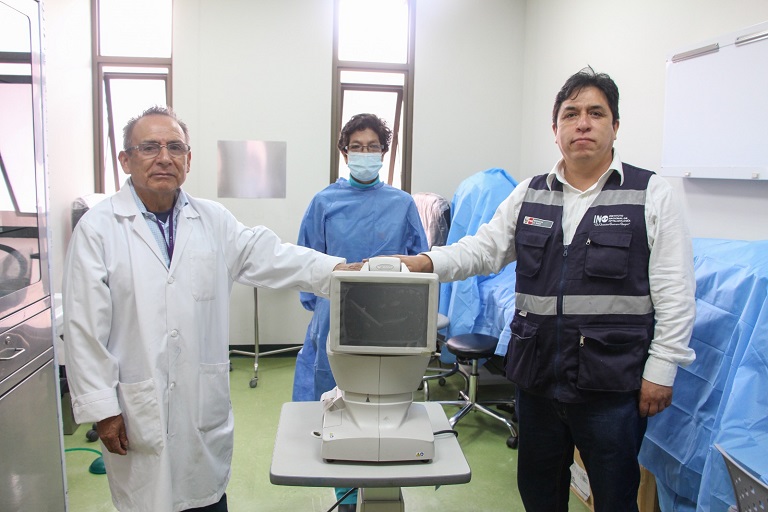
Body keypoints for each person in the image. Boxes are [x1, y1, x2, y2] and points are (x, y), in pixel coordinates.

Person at [394, 67, 696, 512]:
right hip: (537, 381)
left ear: (615, 126)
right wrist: (426, 261)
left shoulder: (650, 193)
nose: (583, 123)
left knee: (614, 498)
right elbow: (482, 250)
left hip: (611, 385)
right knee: (539, 494)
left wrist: (661, 370)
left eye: (596, 113)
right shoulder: (529, 194)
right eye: (571, 114)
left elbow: (675, 291)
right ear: (555, 130)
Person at [62, 106, 358, 512]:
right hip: (136, 407)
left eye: (175, 147)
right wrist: (103, 409)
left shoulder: (213, 220)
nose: (164, 157)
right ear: (125, 159)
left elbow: (272, 255)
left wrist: (340, 270)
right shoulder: (98, 229)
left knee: (206, 500)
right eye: (149, 147)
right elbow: (83, 330)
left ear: (188, 159)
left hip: (202, 407)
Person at [291, 113, 428, 511]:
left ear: (384, 153)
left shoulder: (402, 204)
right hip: (334, 321)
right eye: (357, 147)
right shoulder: (324, 202)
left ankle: (383, 485)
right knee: (336, 413)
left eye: (372, 147)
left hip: (392, 324)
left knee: (386, 410)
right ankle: (347, 498)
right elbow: (307, 264)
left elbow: (420, 267)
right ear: (345, 152)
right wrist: (321, 314)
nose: (364, 154)